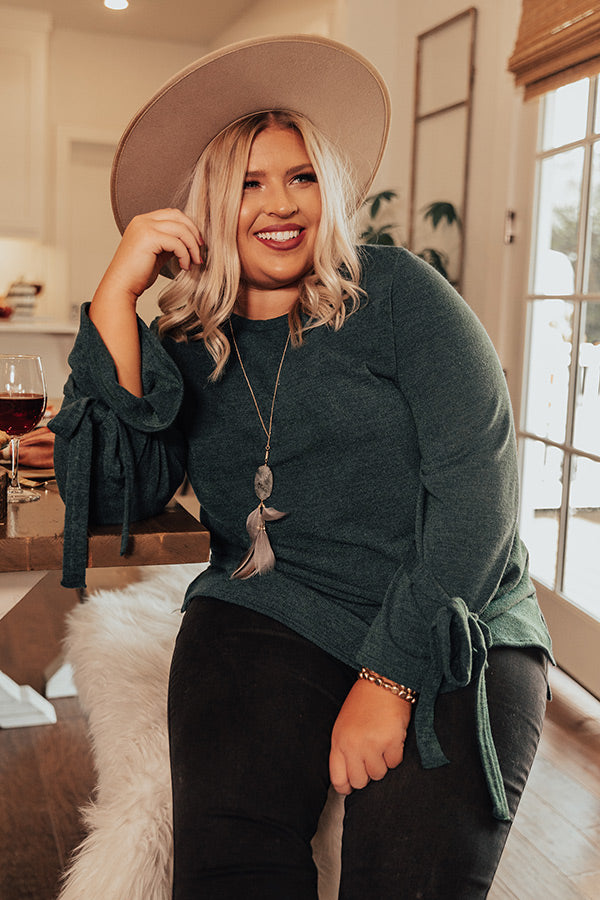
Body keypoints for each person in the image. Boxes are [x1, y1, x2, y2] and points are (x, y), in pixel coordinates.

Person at [50, 35, 553, 900]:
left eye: (302, 177)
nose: (280, 204)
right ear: (208, 205)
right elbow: (111, 493)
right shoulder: (185, 342)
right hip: (269, 608)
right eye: (248, 183)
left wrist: (389, 676)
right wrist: (116, 297)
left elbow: (481, 497)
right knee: (232, 868)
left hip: (449, 611)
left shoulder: (401, 295)